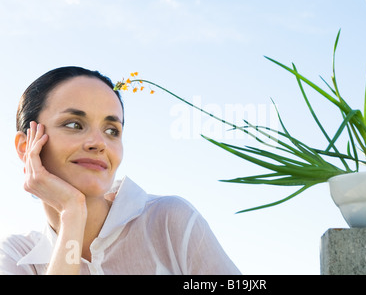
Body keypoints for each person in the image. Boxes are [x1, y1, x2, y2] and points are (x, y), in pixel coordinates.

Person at [0, 66, 241, 275]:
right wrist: (72, 214)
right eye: (74, 125)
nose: (99, 142)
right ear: (26, 146)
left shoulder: (168, 220)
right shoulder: (16, 256)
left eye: (112, 130)